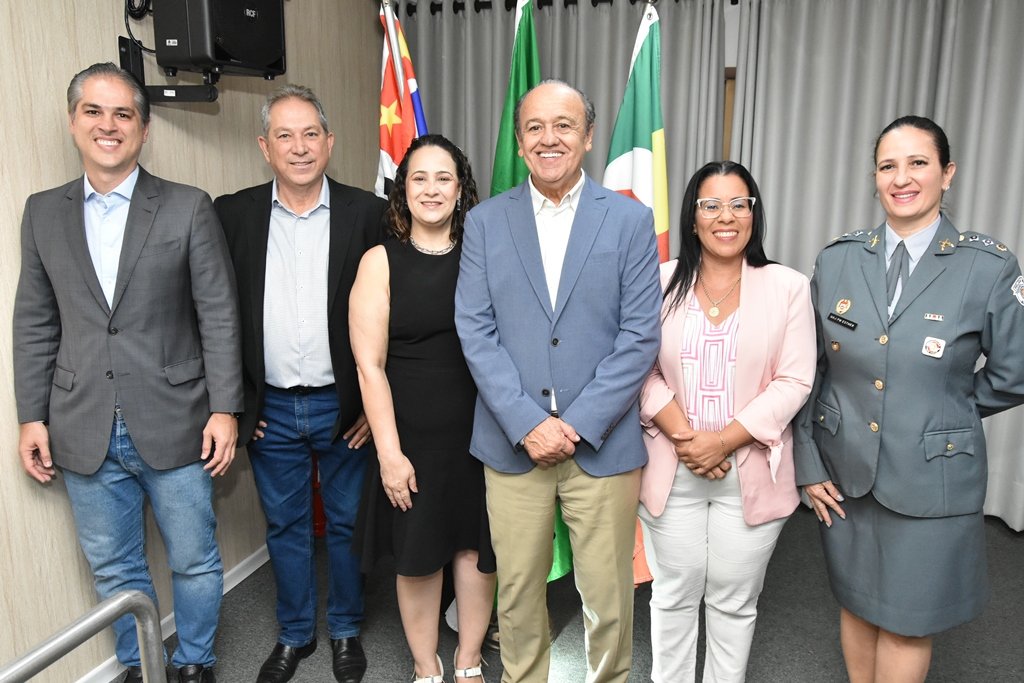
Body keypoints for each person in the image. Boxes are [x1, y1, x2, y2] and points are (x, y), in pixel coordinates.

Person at [13, 62, 242, 683]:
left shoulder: (188, 207)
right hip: (80, 423)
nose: (108, 125)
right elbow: (35, 322)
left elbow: (219, 315)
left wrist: (225, 408)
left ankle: (194, 663)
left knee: (194, 558)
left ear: (143, 130)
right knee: (114, 568)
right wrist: (31, 417)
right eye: (93, 111)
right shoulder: (42, 212)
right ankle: (141, 666)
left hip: (178, 421)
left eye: (123, 114)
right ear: (73, 122)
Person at [795, 115, 1024, 682]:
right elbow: (807, 370)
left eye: (918, 163)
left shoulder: (989, 266)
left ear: (947, 173)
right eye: (887, 166)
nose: (902, 178)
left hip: (931, 475)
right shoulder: (838, 259)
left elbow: (1015, 372)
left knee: (906, 623)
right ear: (874, 178)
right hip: (845, 471)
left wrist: (948, 409)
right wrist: (807, 463)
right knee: (855, 602)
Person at [454, 79, 662, 683]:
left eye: (564, 125)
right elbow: (475, 331)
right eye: (535, 127)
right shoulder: (486, 222)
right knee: (518, 595)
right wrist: (527, 424)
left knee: (608, 596)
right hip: (512, 445)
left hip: (602, 445)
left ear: (588, 136)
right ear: (520, 143)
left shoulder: (629, 220)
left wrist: (575, 425)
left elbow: (639, 336)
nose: (550, 138)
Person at [215, 85, 386, 683]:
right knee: (285, 528)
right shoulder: (232, 215)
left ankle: (344, 629)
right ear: (265, 147)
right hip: (272, 410)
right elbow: (216, 313)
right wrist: (238, 403)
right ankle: (294, 634)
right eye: (284, 135)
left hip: (345, 406)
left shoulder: (368, 213)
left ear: (329, 142)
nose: (300, 147)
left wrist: (375, 405)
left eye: (311, 133)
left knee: (345, 524)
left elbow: (394, 315)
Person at [637, 161, 816, 682]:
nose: (726, 216)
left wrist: (722, 442)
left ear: (754, 214)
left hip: (751, 472)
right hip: (672, 468)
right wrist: (689, 439)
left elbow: (795, 380)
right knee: (673, 595)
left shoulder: (787, 286)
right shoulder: (659, 281)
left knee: (734, 601)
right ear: (692, 218)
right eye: (711, 205)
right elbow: (639, 369)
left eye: (739, 204)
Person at [350, 134, 496, 683]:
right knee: (419, 556)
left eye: (443, 178)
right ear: (402, 189)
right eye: (419, 178)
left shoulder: (484, 256)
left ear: (461, 189)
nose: (431, 189)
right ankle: (425, 665)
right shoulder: (380, 262)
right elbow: (370, 366)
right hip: (410, 438)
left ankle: (468, 661)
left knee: (476, 550)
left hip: (482, 433)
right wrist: (389, 454)